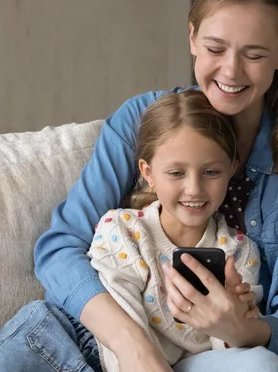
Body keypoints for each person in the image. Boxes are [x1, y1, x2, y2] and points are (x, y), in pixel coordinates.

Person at [0, 0, 278, 371]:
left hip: (265, 351)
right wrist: (133, 346)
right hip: (143, 344)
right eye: (215, 49)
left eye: (254, 54)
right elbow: (60, 249)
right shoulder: (142, 121)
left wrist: (241, 329)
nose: (230, 71)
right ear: (192, 38)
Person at [88, 90, 262, 371]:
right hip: (76, 347)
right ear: (148, 173)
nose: (194, 189)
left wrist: (233, 319)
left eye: (211, 172)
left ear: (232, 169)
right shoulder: (123, 232)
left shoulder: (240, 252)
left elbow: (229, 358)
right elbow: (125, 346)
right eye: (176, 173)